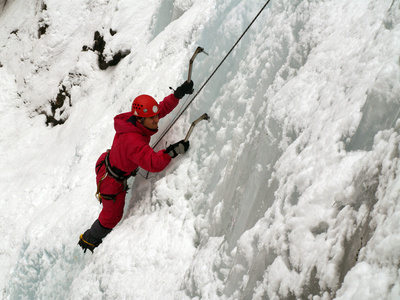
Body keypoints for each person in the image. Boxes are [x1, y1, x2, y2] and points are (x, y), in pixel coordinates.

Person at [78, 80, 194, 253]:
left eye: (156, 116)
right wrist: (171, 152)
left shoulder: (135, 119)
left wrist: (177, 94)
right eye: (152, 118)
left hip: (109, 165)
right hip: (111, 182)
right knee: (112, 217)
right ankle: (89, 240)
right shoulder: (133, 140)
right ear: (141, 119)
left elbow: (159, 109)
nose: (157, 120)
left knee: (112, 209)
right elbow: (154, 163)